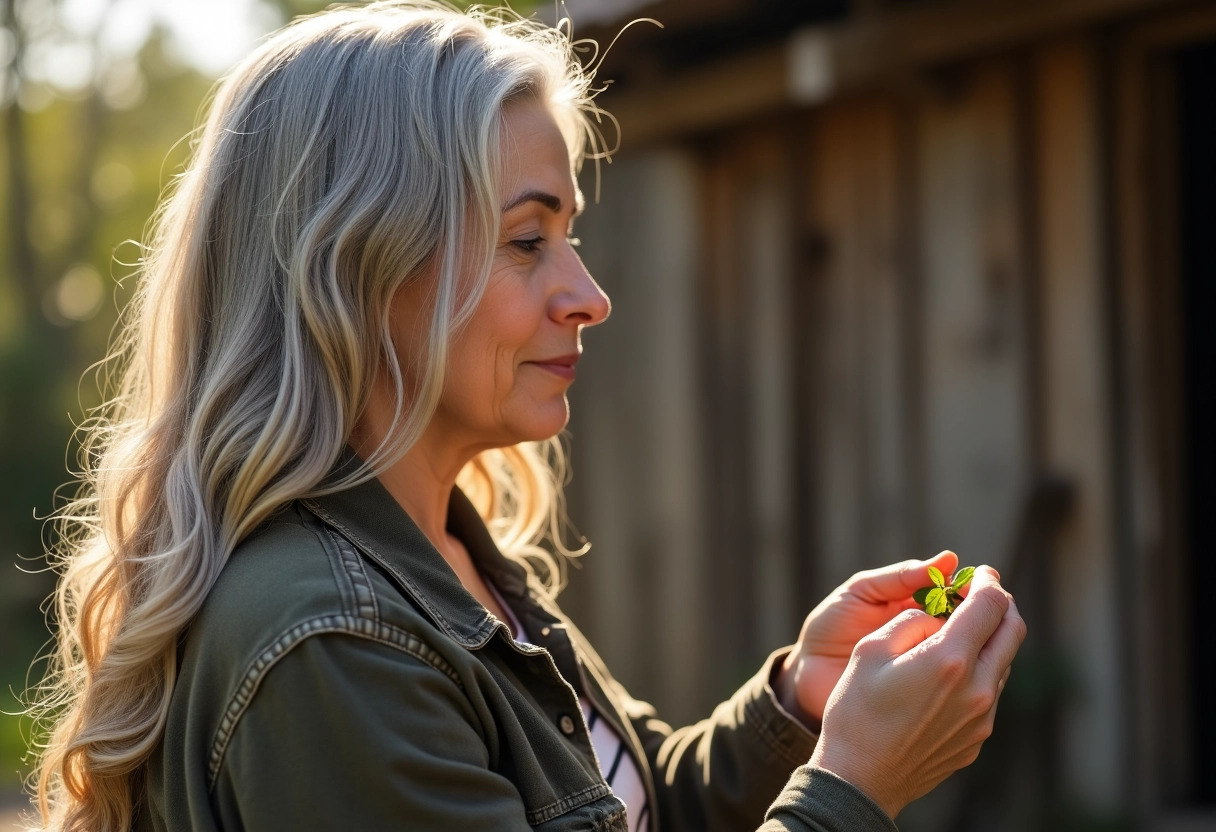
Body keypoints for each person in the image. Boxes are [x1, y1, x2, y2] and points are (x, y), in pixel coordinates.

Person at [27, 2, 1026, 831]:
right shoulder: (332, 640)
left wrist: (796, 705)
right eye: (525, 241)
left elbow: (627, 810)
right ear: (359, 270)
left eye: (569, 236)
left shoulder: (442, 561)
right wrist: (851, 787)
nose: (587, 294)